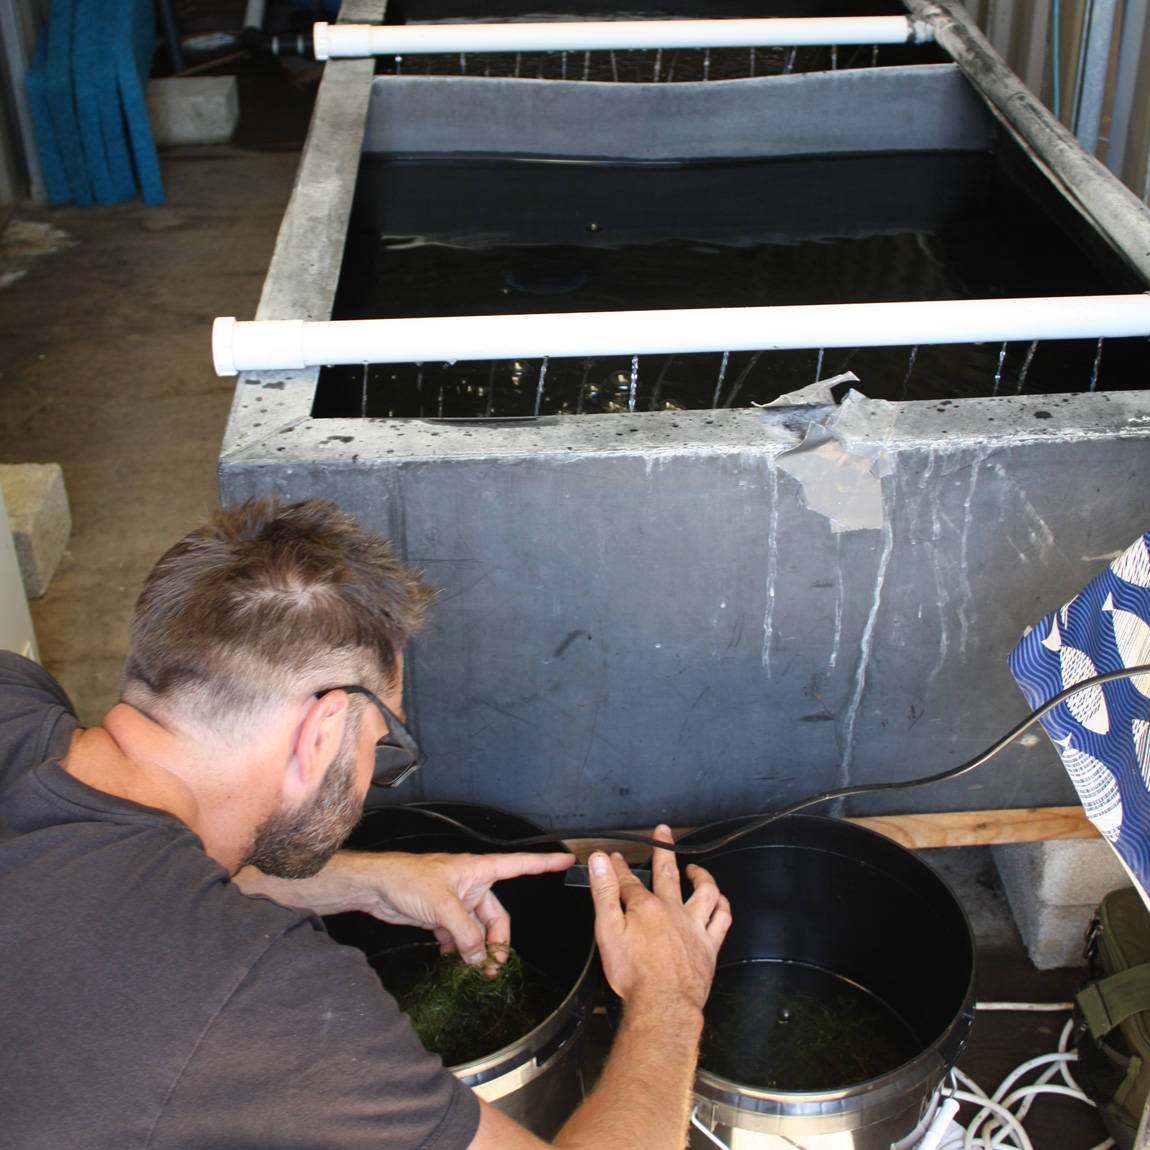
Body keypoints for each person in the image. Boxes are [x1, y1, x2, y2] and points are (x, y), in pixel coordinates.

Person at [0, 497, 731, 1150]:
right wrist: (670, 995)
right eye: (381, 747)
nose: (371, 780)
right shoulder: (258, 995)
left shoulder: (14, 695)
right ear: (321, 733)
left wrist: (358, 880)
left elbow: (133, 891)